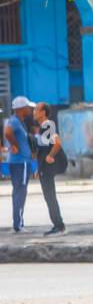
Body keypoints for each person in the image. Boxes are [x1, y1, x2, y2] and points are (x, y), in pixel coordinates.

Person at [33, 102, 66, 235]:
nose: (34, 112)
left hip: (49, 167)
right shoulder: (43, 126)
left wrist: (50, 156)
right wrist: (39, 168)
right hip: (45, 167)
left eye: (36, 109)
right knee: (49, 196)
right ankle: (58, 225)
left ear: (43, 112)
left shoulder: (47, 125)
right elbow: (43, 150)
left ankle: (59, 226)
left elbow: (57, 143)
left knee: (50, 196)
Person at [5, 96, 35, 233]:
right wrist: (15, 144)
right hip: (20, 163)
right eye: (28, 107)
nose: (30, 109)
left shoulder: (20, 122)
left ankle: (18, 223)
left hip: (22, 162)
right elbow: (7, 132)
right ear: (21, 108)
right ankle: (18, 225)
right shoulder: (14, 121)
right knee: (20, 193)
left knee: (19, 192)